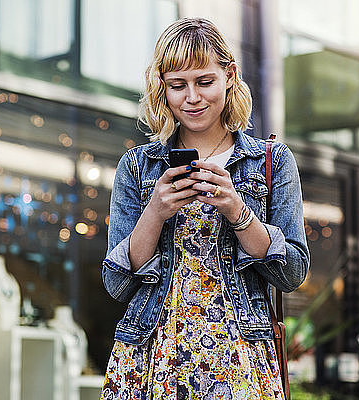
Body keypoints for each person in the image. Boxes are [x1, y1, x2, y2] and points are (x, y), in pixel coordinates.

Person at [100, 18, 309, 400]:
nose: (191, 98)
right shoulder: (137, 166)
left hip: (240, 357)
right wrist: (154, 213)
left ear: (229, 75)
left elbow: (292, 274)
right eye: (177, 85)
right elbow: (116, 285)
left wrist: (239, 212)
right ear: (162, 88)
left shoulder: (272, 161)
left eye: (204, 82)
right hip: (152, 357)